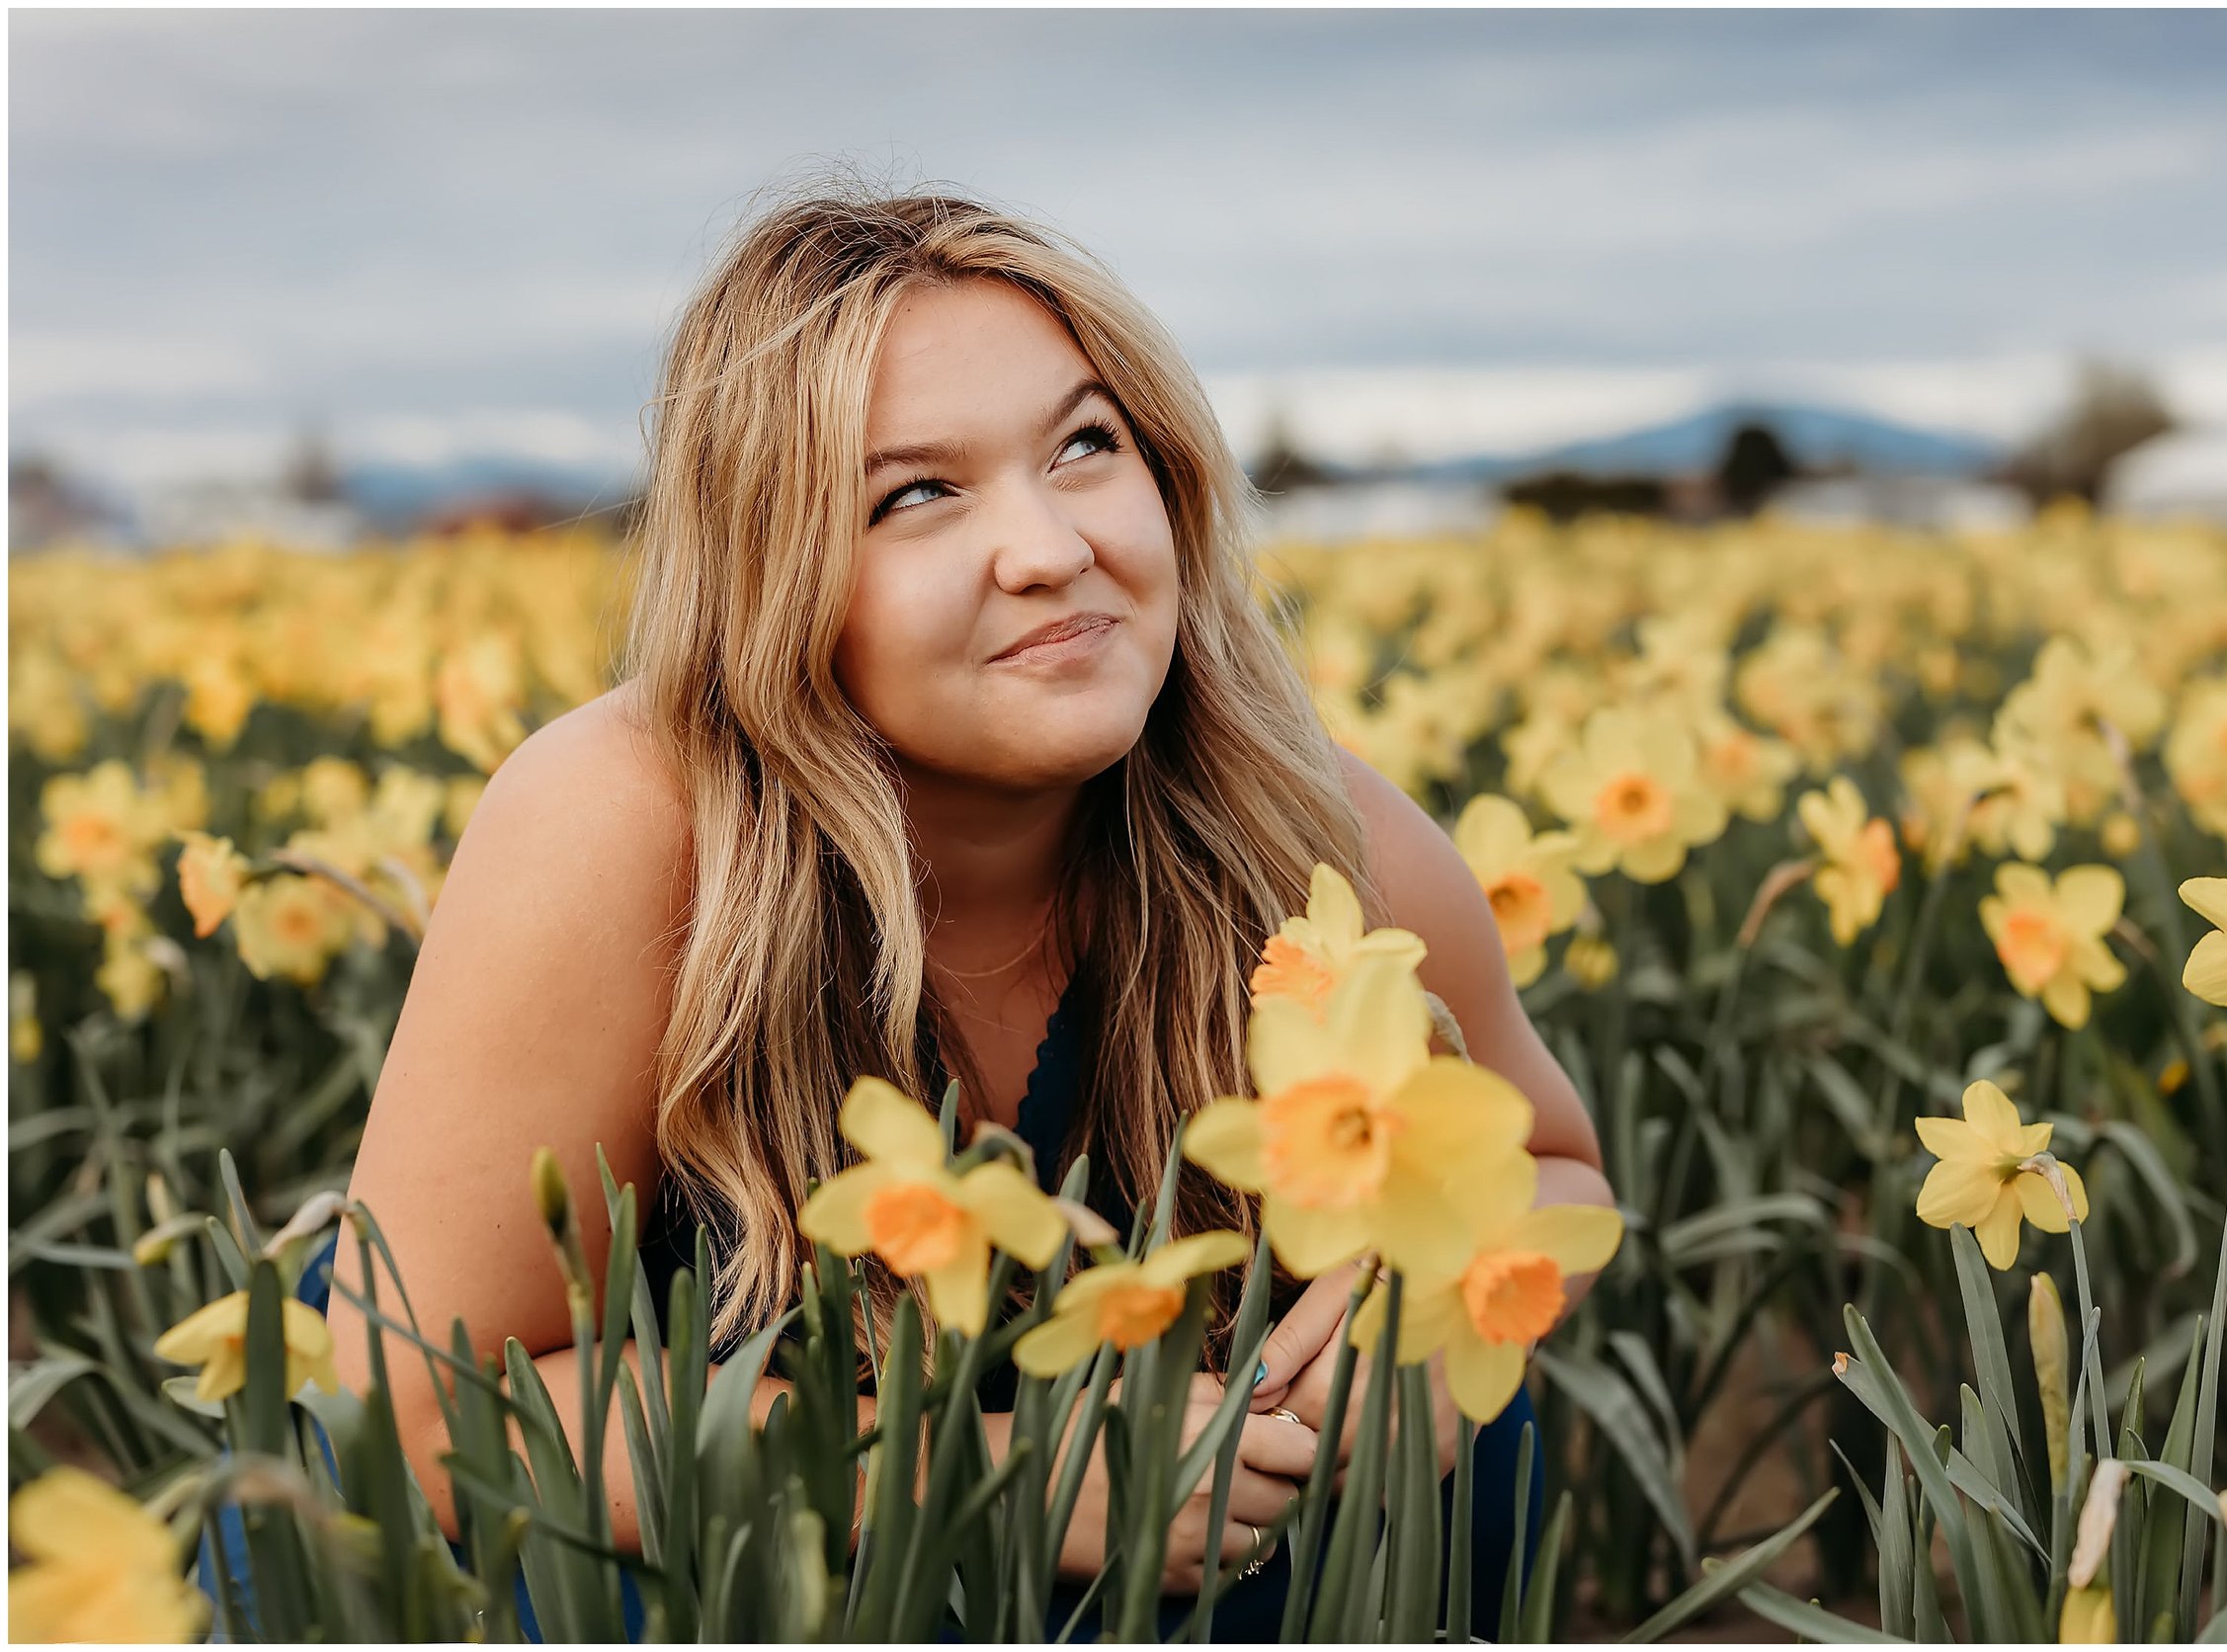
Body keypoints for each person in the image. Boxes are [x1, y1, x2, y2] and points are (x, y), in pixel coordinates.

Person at [322, 183, 1618, 1637]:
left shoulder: (1308, 826)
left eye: (1084, 445)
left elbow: (1558, 1168)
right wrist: (988, 1470)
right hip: (673, 1572)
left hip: (1152, 1533)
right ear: (775, 573)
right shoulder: (622, 826)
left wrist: (1419, 1335)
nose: (1051, 547)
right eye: (917, 494)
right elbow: (421, 1418)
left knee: (1464, 1442)